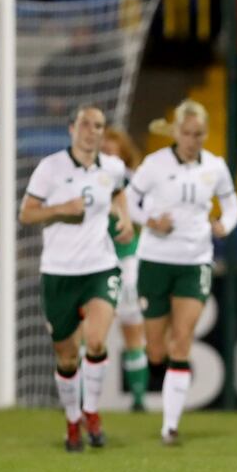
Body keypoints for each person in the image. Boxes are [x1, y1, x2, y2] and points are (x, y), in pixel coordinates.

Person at [18, 104, 133, 452]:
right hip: (59, 272)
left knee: (96, 341)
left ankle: (92, 412)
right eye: (85, 124)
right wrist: (59, 209)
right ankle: (72, 421)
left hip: (100, 267)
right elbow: (26, 213)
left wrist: (124, 218)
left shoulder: (111, 167)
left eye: (98, 125)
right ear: (72, 128)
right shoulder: (50, 168)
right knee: (67, 357)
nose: (92, 130)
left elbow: (119, 191)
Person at [127, 100, 237, 445]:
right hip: (155, 260)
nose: (193, 140)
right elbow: (130, 200)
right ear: (177, 132)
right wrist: (150, 220)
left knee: (182, 340)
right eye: (187, 133)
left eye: (199, 134)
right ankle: (159, 380)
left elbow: (232, 203)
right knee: (156, 349)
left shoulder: (215, 166)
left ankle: (170, 426)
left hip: (195, 261)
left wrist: (225, 224)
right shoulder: (154, 164)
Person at [101, 127, 148, 411]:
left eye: (111, 151)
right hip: (95, 258)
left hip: (128, 258)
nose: (106, 155)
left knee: (131, 327)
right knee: (88, 329)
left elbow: (146, 213)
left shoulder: (133, 182)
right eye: (102, 151)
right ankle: (81, 397)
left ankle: (139, 399)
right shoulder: (88, 179)